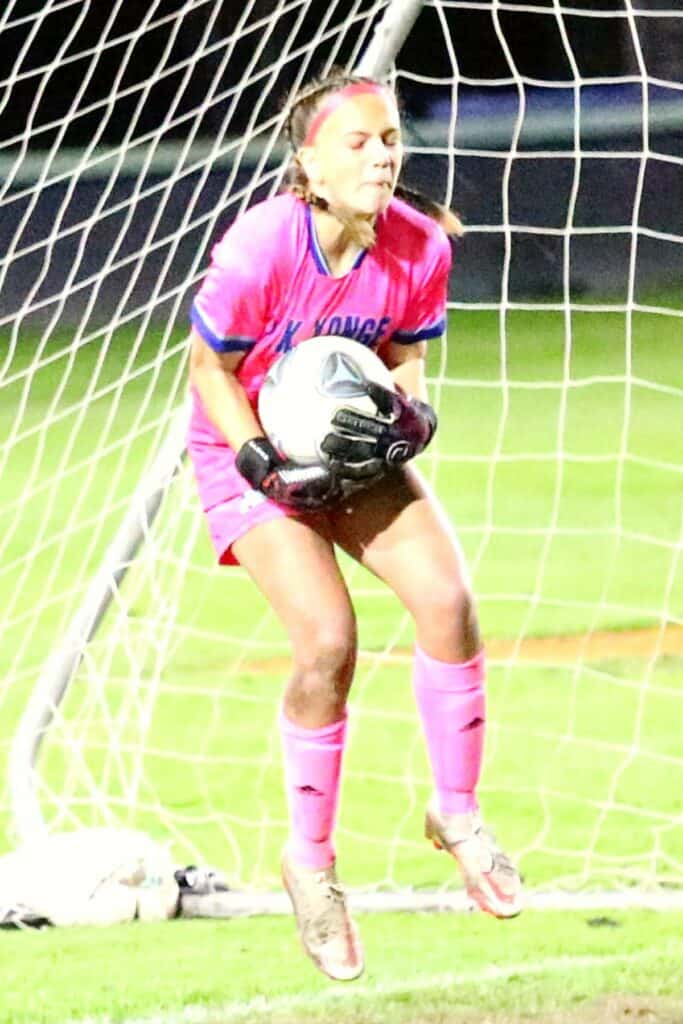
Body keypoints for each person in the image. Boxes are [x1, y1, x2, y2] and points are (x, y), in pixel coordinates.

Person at [187, 71, 523, 983]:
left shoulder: (417, 245)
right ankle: (311, 864)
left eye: (388, 141)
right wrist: (260, 457)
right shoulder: (261, 244)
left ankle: (455, 813)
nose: (380, 157)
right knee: (329, 640)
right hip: (250, 456)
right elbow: (208, 371)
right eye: (357, 143)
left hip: (352, 454)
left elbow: (401, 361)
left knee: (448, 601)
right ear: (308, 164)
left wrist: (409, 415)